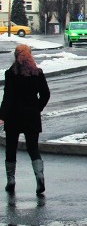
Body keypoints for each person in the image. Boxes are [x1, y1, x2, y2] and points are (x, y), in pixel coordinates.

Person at [0, 44, 50, 195]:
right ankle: (39, 176)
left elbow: (7, 98)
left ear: (16, 56)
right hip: (31, 117)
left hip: (13, 117)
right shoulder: (37, 73)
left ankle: (11, 180)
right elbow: (46, 94)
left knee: (11, 148)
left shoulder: (11, 74)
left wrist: (2, 116)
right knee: (33, 148)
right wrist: (37, 108)